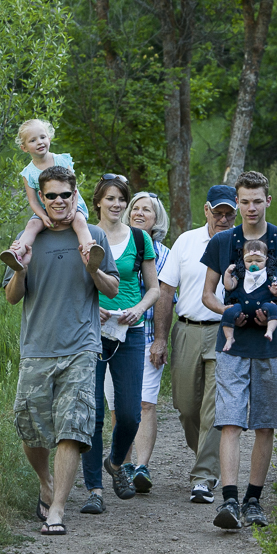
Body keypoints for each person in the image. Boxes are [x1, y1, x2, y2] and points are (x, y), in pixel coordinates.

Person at [3, 165, 120, 535]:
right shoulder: (27, 240)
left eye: (64, 195)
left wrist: (94, 270)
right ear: (41, 197)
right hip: (36, 348)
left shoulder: (94, 235)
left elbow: (113, 290)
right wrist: (20, 271)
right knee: (31, 432)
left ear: (75, 195)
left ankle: (57, 509)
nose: (58, 201)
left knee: (72, 429)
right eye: (50, 195)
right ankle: (45, 482)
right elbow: (11, 298)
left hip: (81, 348)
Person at [200, 171, 277, 530]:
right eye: (243, 201)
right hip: (232, 346)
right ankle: (229, 500)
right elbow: (208, 295)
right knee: (230, 420)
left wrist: (276, 314)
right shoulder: (222, 242)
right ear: (238, 201)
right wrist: (230, 312)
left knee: (265, 424)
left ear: (268, 201)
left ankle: (253, 500)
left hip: (272, 345)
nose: (250, 208)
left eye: (256, 201)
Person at [150, 185, 238, 504]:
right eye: (219, 213)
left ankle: (203, 477)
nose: (224, 218)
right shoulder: (186, 242)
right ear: (206, 210)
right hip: (186, 330)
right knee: (187, 407)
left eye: (230, 213)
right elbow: (164, 291)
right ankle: (209, 454)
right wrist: (161, 338)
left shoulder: (244, 244)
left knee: (214, 407)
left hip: (227, 333)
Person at [80, 175, 161, 515]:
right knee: (94, 413)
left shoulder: (140, 239)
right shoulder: (83, 235)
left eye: (121, 199)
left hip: (131, 330)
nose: (115, 204)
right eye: (109, 198)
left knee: (129, 414)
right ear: (97, 201)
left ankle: (115, 462)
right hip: (92, 330)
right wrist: (91, 307)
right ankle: (94, 489)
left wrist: (139, 310)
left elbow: (154, 288)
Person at [101, 191, 173, 493]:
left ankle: (142, 465)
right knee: (118, 406)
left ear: (157, 220)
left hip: (145, 337)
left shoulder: (163, 253)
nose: (139, 213)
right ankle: (123, 465)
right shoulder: (107, 243)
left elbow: (165, 297)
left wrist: (160, 339)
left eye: (148, 210)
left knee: (144, 404)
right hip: (110, 334)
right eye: (136, 208)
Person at [0, 119, 104, 272]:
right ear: (24, 148)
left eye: (42, 137)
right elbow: (33, 201)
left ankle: (90, 253)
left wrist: (74, 210)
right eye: (33, 140)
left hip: (71, 204)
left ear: (49, 138)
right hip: (46, 209)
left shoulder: (61, 159)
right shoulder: (28, 173)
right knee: (32, 226)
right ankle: (17, 253)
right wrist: (43, 217)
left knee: (80, 223)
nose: (40, 142)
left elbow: (74, 189)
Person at [220, 239, 277, 350]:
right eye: (249, 261)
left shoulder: (269, 276)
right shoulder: (240, 275)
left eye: (258, 261)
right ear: (243, 260)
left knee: (274, 309)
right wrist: (227, 274)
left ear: (266, 260)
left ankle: (270, 330)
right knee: (228, 312)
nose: (253, 264)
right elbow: (229, 286)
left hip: (264, 304)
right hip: (241, 305)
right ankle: (229, 338)